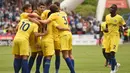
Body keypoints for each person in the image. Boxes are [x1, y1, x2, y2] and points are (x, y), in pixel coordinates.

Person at [39, 4, 75, 73]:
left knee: (64, 56)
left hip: (62, 35)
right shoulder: (63, 13)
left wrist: (37, 19)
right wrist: (67, 28)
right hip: (69, 34)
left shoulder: (53, 16)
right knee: (70, 54)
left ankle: (73, 72)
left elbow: (45, 22)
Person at [105, 4, 128, 73]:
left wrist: (124, 29)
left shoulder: (119, 18)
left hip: (115, 36)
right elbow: (107, 24)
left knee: (112, 53)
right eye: (110, 8)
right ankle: (116, 64)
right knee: (107, 54)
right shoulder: (107, 16)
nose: (110, 9)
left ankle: (113, 70)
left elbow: (125, 26)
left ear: (115, 10)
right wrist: (106, 28)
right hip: (108, 37)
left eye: (112, 8)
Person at [28, 3, 46, 73]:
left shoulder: (42, 14)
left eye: (43, 8)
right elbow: (30, 19)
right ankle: (36, 70)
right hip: (34, 36)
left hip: (37, 35)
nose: (42, 9)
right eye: (41, 7)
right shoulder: (35, 13)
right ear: (37, 7)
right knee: (40, 54)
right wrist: (40, 22)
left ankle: (29, 70)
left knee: (34, 54)